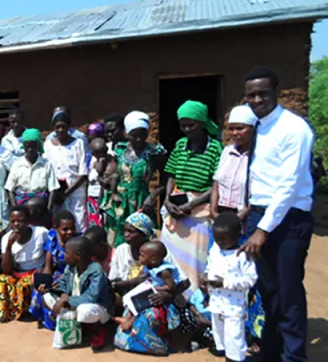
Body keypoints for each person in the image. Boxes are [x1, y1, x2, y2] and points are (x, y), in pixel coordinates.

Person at [239, 67, 314, 362]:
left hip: (287, 219)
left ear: (276, 92)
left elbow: (288, 184)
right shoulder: (262, 127)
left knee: (288, 292)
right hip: (260, 214)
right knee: (267, 291)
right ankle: (270, 351)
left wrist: (263, 229)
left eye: (263, 94)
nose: (257, 100)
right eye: (251, 95)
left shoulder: (294, 129)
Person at [161, 101, 223, 290]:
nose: (187, 129)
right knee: (172, 258)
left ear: (202, 123)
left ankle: (194, 299)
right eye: (183, 125)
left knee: (195, 260)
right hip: (176, 206)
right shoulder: (180, 145)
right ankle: (175, 299)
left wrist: (193, 203)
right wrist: (166, 200)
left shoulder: (215, 149)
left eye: (191, 125)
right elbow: (170, 175)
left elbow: (216, 184)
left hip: (200, 212)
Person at [200, 212, 258, 362]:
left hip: (234, 306)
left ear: (238, 235)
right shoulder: (216, 250)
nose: (220, 242)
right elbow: (210, 266)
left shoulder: (242, 255)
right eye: (216, 238)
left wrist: (225, 283)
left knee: (235, 337)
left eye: (224, 239)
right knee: (221, 334)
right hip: (217, 302)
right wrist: (205, 277)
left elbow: (250, 280)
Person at [101, 111, 166, 247]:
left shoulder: (155, 152)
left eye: (142, 134)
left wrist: (152, 197)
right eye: (134, 135)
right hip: (119, 202)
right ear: (127, 133)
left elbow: (166, 179)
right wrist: (106, 184)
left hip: (142, 202)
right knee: (117, 238)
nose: (138, 139)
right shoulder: (119, 150)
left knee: (141, 238)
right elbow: (112, 174)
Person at [46, 237, 111, 350]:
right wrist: (57, 293)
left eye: (67, 252)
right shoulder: (70, 267)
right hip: (73, 303)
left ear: (77, 255)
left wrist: (67, 300)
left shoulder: (96, 271)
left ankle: (97, 330)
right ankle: (76, 328)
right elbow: (63, 286)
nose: (64, 255)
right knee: (47, 297)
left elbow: (91, 297)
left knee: (84, 310)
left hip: (98, 307)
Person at [0, 205, 49, 322]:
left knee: (23, 285)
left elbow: (49, 253)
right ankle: (6, 312)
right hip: (17, 272)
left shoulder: (41, 233)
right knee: (1, 280)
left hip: (36, 271)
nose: (16, 224)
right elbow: (6, 270)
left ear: (28, 221)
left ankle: (24, 311)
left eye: (21, 221)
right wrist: (9, 246)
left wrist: (44, 270)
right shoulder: (6, 238)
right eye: (13, 221)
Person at [28, 210, 77, 330]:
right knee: (41, 290)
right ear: (56, 228)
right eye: (65, 229)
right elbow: (48, 264)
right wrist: (46, 280)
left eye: (72, 228)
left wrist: (64, 279)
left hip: (73, 275)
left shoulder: (78, 241)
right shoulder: (52, 237)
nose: (70, 232)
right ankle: (47, 319)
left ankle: (61, 320)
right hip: (57, 274)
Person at [116, 241, 178, 331]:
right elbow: (143, 276)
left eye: (142, 255)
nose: (139, 257)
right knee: (132, 298)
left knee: (142, 304)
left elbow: (171, 287)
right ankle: (126, 318)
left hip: (162, 292)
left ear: (153, 259)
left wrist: (156, 289)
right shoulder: (149, 265)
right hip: (151, 287)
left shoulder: (164, 271)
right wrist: (127, 283)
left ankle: (131, 321)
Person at [210, 105, 257, 225]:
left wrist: (243, 213)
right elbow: (217, 184)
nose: (235, 133)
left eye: (240, 128)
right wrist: (213, 210)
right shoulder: (227, 152)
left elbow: (260, 190)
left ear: (253, 128)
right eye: (231, 129)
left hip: (247, 216)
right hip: (221, 213)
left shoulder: (259, 155)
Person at [44, 109, 88, 232]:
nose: (60, 130)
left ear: (68, 127)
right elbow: (47, 170)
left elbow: (83, 173)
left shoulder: (78, 143)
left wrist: (67, 192)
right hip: (56, 193)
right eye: (57, 127)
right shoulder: (48, 145)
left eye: (63, 127)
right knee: (59, 224)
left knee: (78, 224)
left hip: (75, 192)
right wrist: (56, 193)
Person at [5, 128, 59, 208]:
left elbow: (53, 190)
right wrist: (15, 208)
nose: (30, 149)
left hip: (41, 208)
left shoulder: (46, 165)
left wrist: (48, 210)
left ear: (38, 146)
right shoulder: (17, 165)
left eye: (33, 146)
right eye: (27, 146)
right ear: (23, 146)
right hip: (22, 207)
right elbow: (10, 189)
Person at [86, 138, 109, 228]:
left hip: (103, 198)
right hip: (91, 197)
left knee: (103, 222)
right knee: (94, 222)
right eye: (97, 153)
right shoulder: (92, 161)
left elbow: (100, 173)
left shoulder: (106, 162)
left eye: (102, 152)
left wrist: (102, 160)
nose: (100, 155)